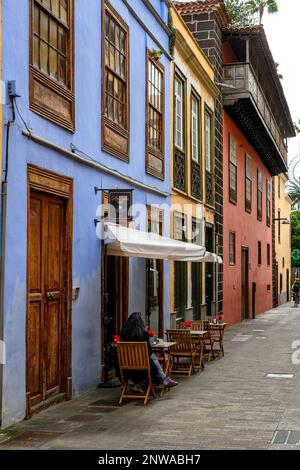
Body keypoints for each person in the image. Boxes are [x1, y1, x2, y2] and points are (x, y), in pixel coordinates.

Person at [120, 312, 178, 388]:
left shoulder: (123, 333)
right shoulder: (143, 334)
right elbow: (148, 352)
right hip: (143, 367)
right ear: (140, 322)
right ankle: (164, 379)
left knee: (152, 356)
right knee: (153, 356)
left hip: (126, 366)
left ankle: (162, 379)